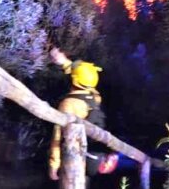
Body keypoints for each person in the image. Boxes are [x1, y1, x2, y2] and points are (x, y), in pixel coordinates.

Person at [48, 48, 119, 182]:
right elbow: (82, 77)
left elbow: (57, 135)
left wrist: (54, 164)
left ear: (73, 80)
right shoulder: (95, 97)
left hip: (81, 161)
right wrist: (65, 62)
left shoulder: (68, 104)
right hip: (98, 158)